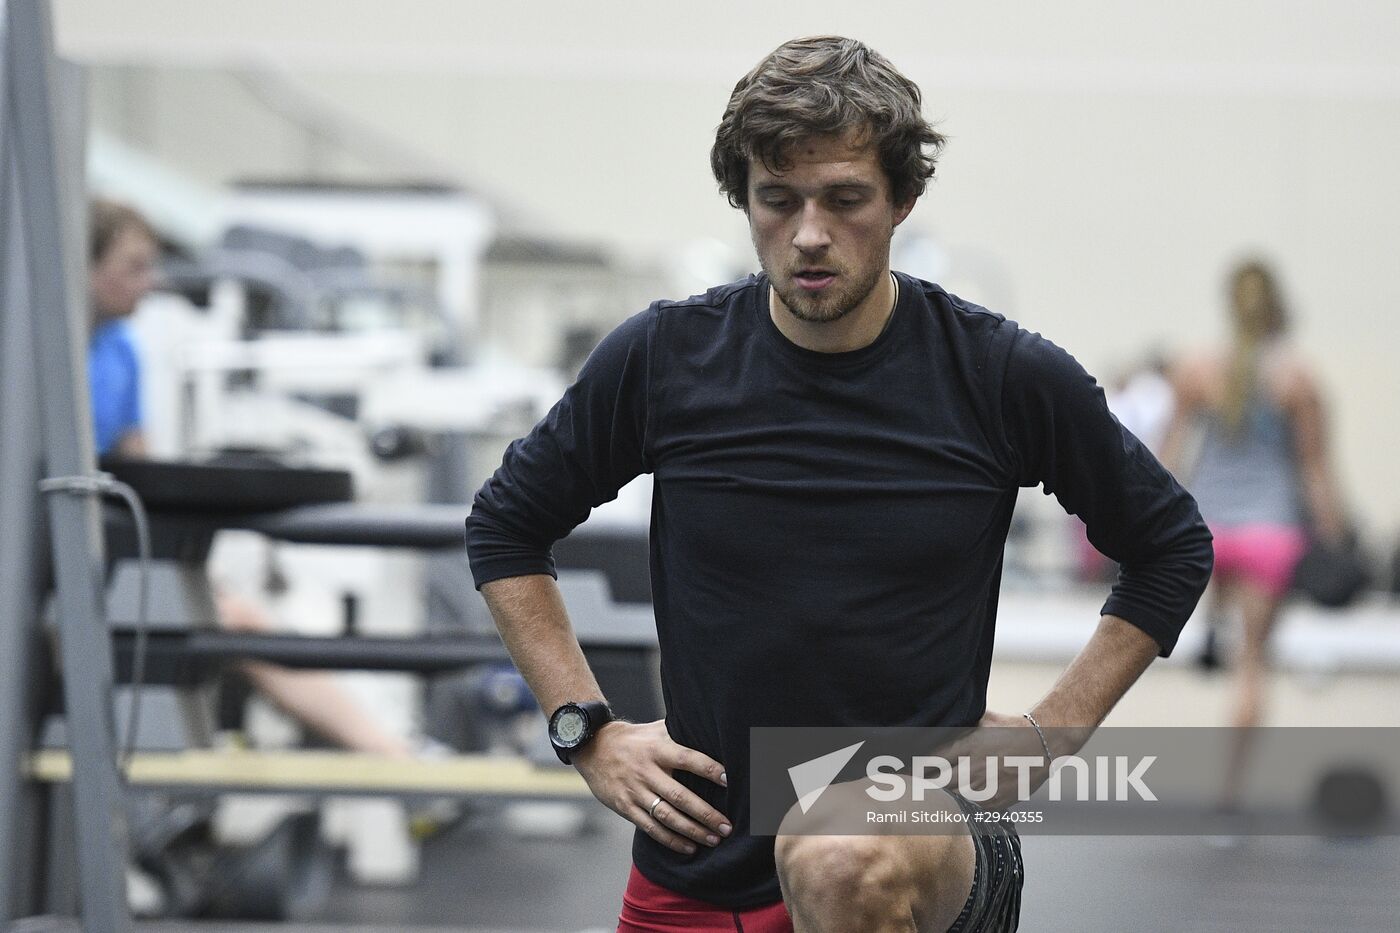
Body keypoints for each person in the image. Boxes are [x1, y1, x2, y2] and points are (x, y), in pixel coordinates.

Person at [466, 36, 1213, 932]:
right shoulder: (667, 358)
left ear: (903, 199)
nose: (810, 234)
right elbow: (507, 525)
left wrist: (1054, 730)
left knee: (836, 854)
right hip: (701, 857)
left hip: (912, 843)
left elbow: (1170, 545)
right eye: (777, 201)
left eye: (845, 199)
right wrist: (585, 728)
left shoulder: (999, 375)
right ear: (745, 201)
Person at [88, 198, 413, 759]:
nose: (151, 282)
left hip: (110, 553)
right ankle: (393, 755)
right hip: (62, 558)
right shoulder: (38, 355)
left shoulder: (121, 351)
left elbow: (139, 468)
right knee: (235, 619)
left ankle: (396, 757)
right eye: (134, 267)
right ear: (85, 268)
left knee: (227, 610)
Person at [1160, 259, 1347, 813]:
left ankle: (1213, 622)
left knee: (1223, 614)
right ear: (1277, 308)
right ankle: (1229, 795)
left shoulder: (1196, 368)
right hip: (1270, 535)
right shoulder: (1298, 377)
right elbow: (1316, 472)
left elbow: (1169, 459)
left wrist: (1143, 529)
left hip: (1209, 531)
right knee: (1252, 666)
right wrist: (1336, 542)